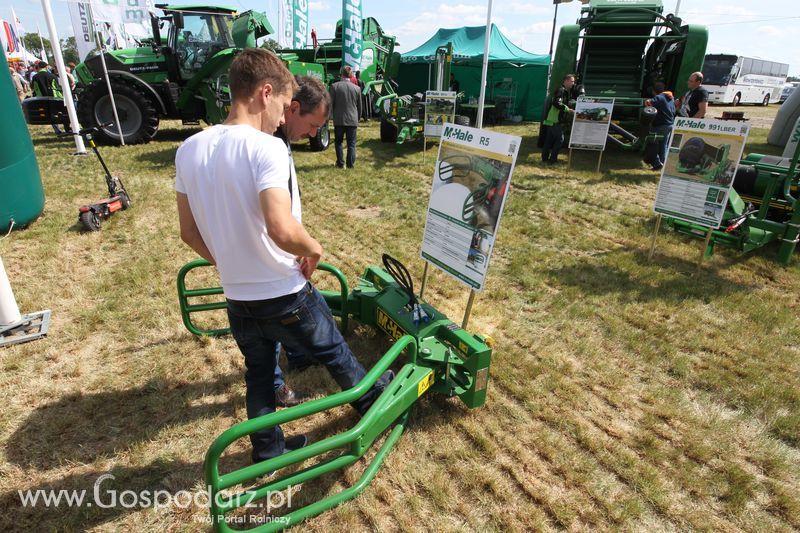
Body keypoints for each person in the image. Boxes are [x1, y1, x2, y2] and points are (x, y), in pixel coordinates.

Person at [175, 49, 392, 464]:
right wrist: (314, 248)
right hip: (284, 290)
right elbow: (280, 227)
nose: (281, 117)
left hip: (238, 298)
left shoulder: (189, 149)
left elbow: (188, 232)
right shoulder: (265, 148)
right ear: (265, 91)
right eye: (280, 104)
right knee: (335, 352)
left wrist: (228, 261)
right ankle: (375, 409)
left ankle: (268, 448)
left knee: (258, 375)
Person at [270, 75, 333, 406]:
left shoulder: (281, 141)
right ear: (292, 108)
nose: (313, 134)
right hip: (274, 253)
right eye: (312, 125)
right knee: (270, 322)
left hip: (287, 247)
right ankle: (276, 384)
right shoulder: (268, 144)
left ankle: (299, 353)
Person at [329, 65, 362, 169]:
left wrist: (329, 117)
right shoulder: (357, 88)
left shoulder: (334, 86)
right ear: (351, 74)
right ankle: (350, 164)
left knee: (338, 142)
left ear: (341, 74)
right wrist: (358, 118)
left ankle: (340, 163)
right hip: (352, 120)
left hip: (339, 119)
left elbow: (330, 104)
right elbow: (360, 106)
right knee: (351, 144)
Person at [541, 73, 576, 164]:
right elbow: (557, 103)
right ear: (566, 81)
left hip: (551, 119)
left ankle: (545, 158)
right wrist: (568, 109)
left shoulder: (563, 90)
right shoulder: (561, 90)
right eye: (572, 81)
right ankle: (552, 160)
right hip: (555, 120)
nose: (573, 83)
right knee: (560, 140)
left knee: (549, 140)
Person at [644, 81, 675, 171]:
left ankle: (656, 163)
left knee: (651, 142)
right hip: (670, 124)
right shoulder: (670, 97)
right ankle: (662, 165)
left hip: (660, 125)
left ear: (654, 91)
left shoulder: (658, 97)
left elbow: (649, 104)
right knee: (663, 145)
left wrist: (647, 101)